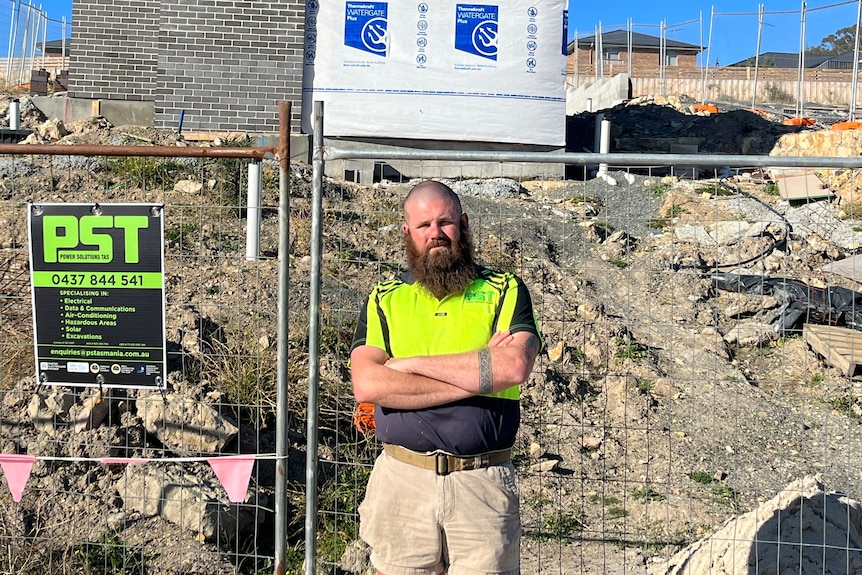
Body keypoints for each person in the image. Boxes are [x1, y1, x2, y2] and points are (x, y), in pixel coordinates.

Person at [350, 180, 542, 575]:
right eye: (423, 226)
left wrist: (404, 366)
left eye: (445, 222)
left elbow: (514, 368)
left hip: (481, 485)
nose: (435, 234)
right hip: (402, 482)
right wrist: (476, 373)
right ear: (407, 233)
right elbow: (368, 384)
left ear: (464, 224)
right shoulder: (384, 298)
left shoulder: (503, 290)